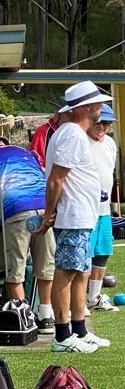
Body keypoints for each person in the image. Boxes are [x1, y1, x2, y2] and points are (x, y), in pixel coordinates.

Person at [37, 82, 112, 353]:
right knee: (66, 272)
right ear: (85, 107)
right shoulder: (71, 134)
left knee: (80, 272)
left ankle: (79, 331)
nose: (102, 107)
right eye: (98, 103)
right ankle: (62, 336)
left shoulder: (74, 133)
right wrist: (49, 213)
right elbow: (56, 180)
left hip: (83, 216)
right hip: (73, 216)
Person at [0, 139, 57, 333]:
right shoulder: (27, 154)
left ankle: (22, 318)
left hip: (15, 208)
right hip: (43, 206)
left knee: (14, 266)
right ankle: (46, 316)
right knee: (45, 262)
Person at [85, 103, 119, 317]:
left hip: (104, 210)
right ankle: (78, 302)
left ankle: (93, 298)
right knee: (83, 257)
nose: (102, 126)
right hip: (84, 210)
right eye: (99, 121)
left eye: (107, 123)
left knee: (103, 253)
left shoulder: (111, 144)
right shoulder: (81, 142)